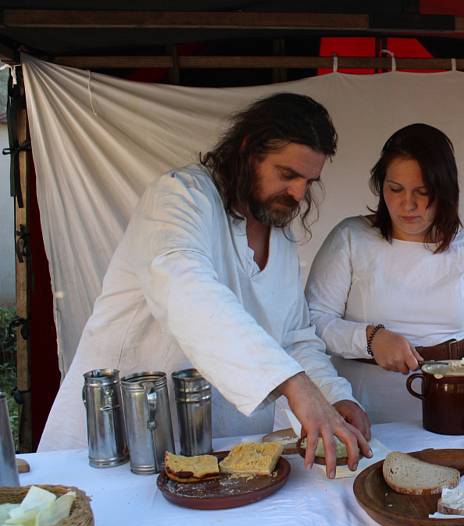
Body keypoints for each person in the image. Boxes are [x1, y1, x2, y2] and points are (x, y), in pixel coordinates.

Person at [40, 93, 371, 477]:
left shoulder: (280, 235)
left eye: (308, 181)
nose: (298, 193)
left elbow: (294, 336)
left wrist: (334, 396)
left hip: (221, 453)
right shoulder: (180, 196)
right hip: (121, 443)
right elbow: (184, 286)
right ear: (248, 150)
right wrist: (293, 384)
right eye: (287, 174)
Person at [305, 123, 464, 423]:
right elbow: (312, 320)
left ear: (444, 191)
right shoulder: (351, 238)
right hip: (362, 407)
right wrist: (371, 340)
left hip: (452, 405)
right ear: (381, 186)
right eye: (395, 189)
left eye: (423, 191)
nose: (408, 204)